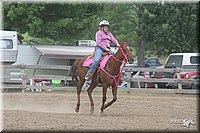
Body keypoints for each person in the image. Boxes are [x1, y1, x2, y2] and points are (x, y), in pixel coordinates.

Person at [85, 20, 120, 85]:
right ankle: (89, 74)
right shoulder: (98, 33)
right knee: (96, 60)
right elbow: (99, 42)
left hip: (108, 49)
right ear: (101, 28)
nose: (106, 28)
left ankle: (117, 76)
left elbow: (113, 39)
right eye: (105, 27)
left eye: (107, 27)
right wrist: (105, 48)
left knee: (116, 59)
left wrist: (117, 44)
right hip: (100, 49)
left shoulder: (109, 33)